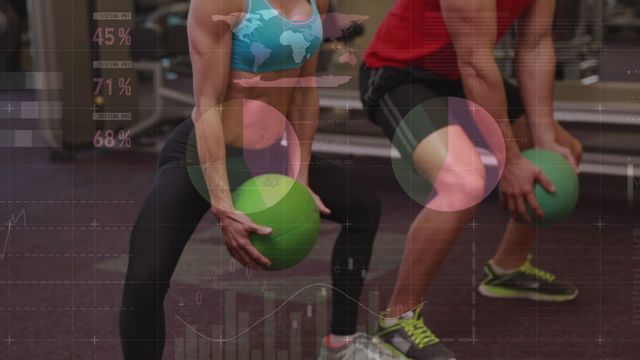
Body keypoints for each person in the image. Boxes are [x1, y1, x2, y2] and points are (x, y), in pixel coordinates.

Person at [119, 0, 397, 359]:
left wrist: (300, 176)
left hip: (272, 152)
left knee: (362, 210)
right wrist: (221, 203)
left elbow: (303, 90)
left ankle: (341, 342)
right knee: (145, 278)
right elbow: (208, 105)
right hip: (206, 151)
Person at [360, 0, 583, 358]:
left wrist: (544, 138)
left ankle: (506, 268)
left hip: (457, 76)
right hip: (401, 74)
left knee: (563, 147)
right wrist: (508, 163)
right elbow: (477, 65)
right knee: (462, 182)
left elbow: (536, 43)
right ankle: (396, 321)